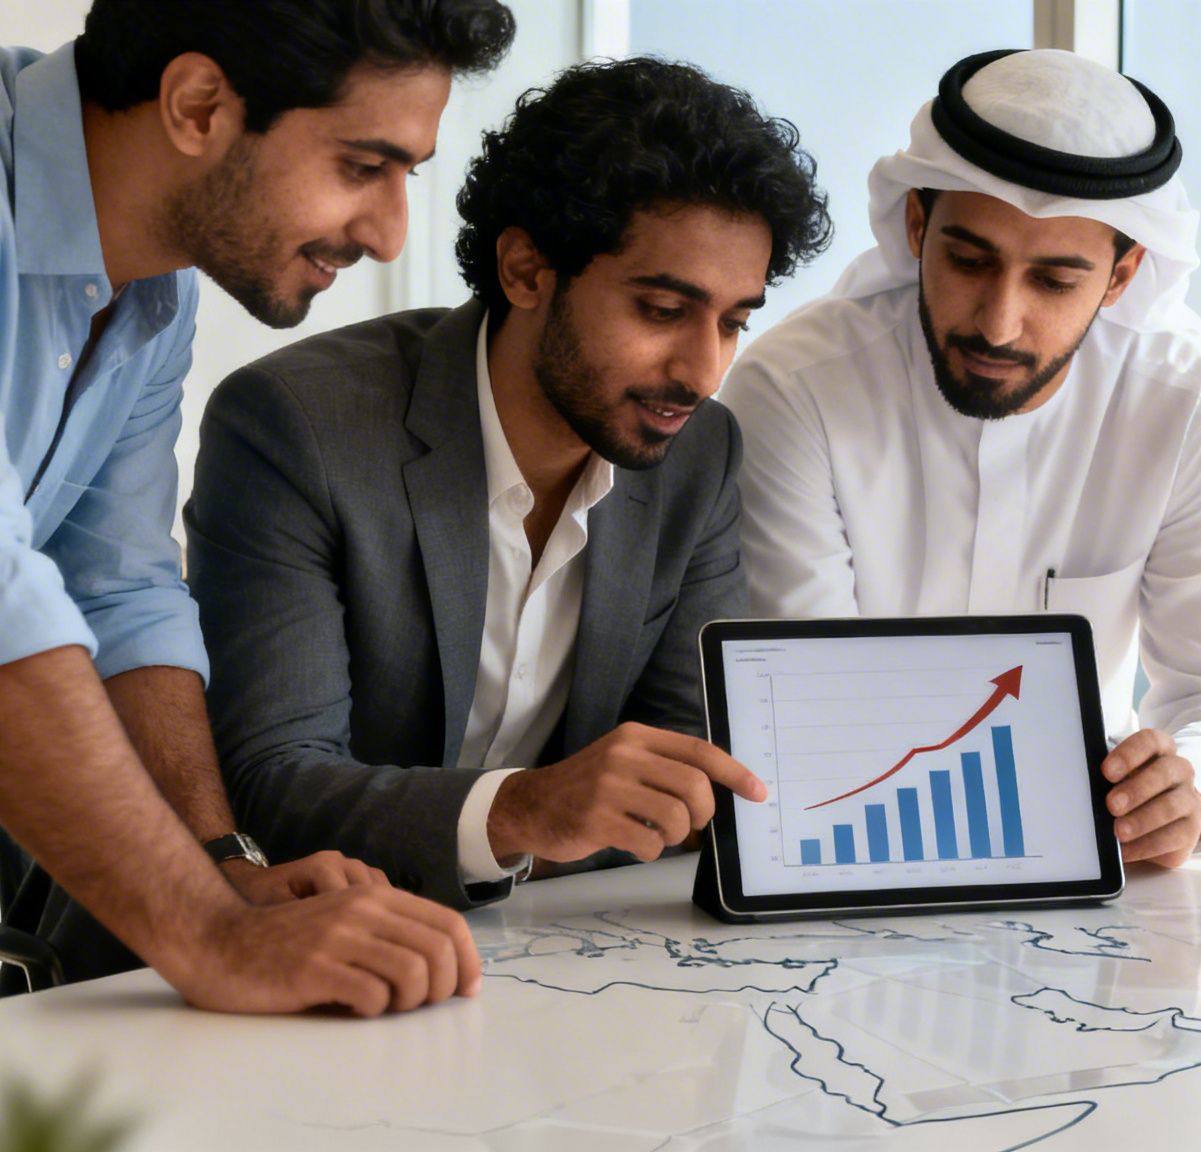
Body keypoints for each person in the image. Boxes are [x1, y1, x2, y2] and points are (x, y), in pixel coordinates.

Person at [0, 0, 515, 1041]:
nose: (388, 234)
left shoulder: (150, 292)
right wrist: (205, 935)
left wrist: (221, 869)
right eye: (361, 166)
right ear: (198, 104)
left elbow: (117, 588)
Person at [185, 57, 831, 910]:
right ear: (526, 271)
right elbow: (274, 785)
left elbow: (683, 780)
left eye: (733, 322)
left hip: (540, 954)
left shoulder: (698, 454)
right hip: (296, 944)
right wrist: (526, 811)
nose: (703, 370)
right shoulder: (297, 427)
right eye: (663, 311)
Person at [721, 49, 1201, 867]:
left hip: (1095, 880)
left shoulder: (1190, 405)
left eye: (1055, 281)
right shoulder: (794, 389)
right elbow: (811, 709)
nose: (997, 322)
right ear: (917, 227)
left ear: (1122, 276)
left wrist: (1196, 789)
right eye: (970, 260)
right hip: (846, 860)